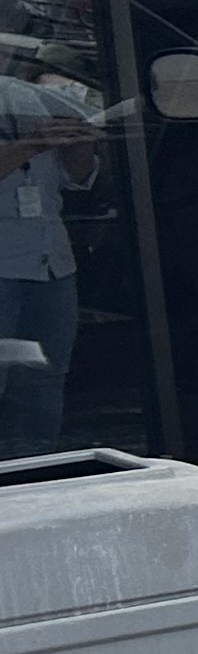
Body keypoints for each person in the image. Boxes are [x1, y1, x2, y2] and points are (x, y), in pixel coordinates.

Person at [0, 55, 102, 458]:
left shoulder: (36, 104)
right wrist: (30, 143)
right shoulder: (28, 129)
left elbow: (77, 179)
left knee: (45, 377)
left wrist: (81, 139)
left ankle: (36, 465)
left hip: (52, 265)